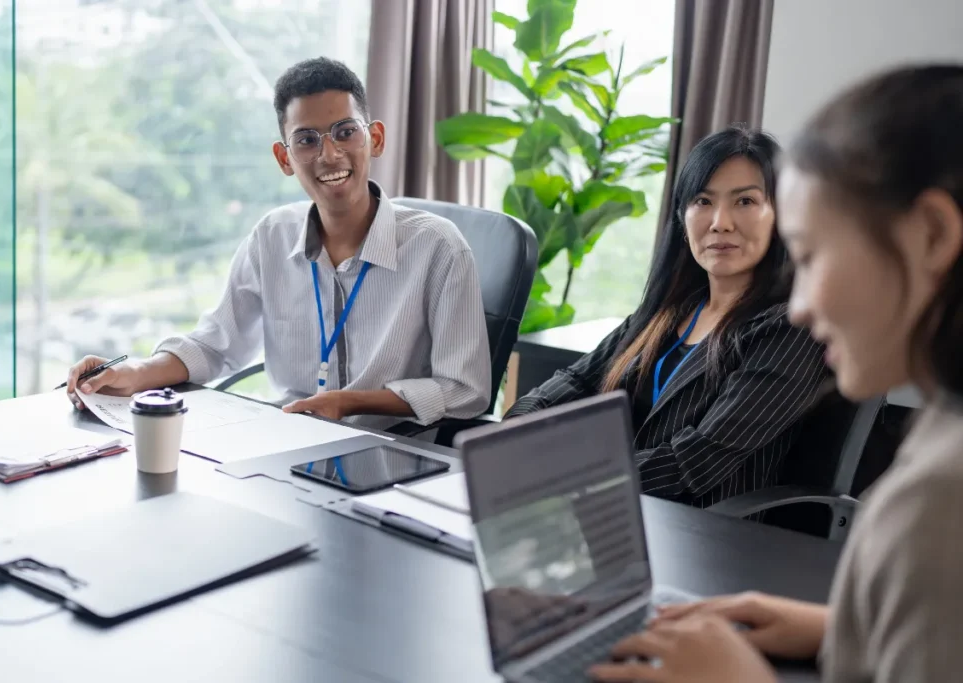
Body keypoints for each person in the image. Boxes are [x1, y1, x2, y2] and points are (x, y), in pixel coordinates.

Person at [589, 64, 963, 683]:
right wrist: (837, 626)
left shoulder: (941, 498)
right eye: (703, 203)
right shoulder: (942, 431)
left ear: (931, 234)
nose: (802, 305)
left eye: (812, 256)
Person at [64, 57, 490, 429]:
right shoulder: (271, 237)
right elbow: (213, 346)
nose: (329, 154)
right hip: (288, 442)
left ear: (373, 138)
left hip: (390, 451)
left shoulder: (438, 248)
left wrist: (350, 402)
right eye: (307, 140)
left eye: (345, 132)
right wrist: (133, 372)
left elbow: (465, 390)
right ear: (285, 158)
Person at [504, 126, 828, 507]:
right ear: (681, 216)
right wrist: (511, 438)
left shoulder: (789, 329)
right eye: (703, 201)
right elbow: (574, 382)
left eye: (745, 202)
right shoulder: (665, 313)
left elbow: (695, 461)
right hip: (613, 510)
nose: (720, 222)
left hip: (704, 539)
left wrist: (564, 474)